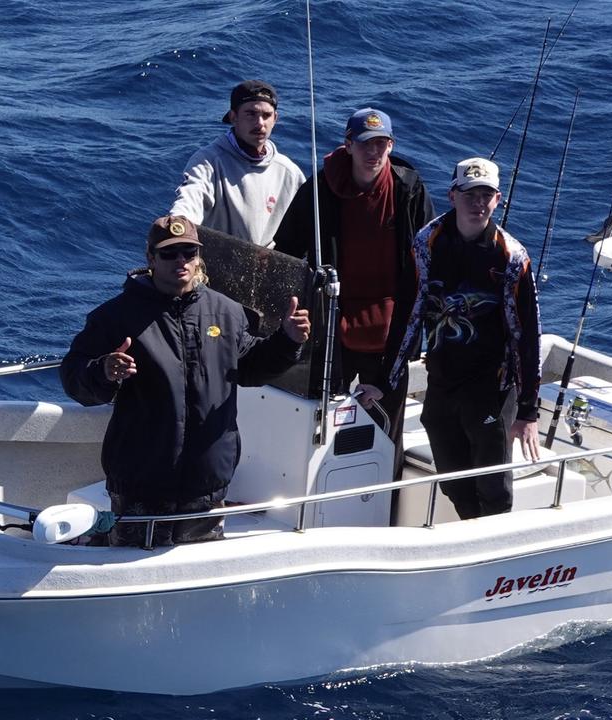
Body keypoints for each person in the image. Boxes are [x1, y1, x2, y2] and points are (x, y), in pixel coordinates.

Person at [60, 215, 310, 546]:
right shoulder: (115, 317)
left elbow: (251, 368)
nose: (181, 260)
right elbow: (73, 375)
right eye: (169, 253)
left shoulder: (227, 312)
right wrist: (103, 371)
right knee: (129, 573)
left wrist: (287, 341)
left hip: (205, 488)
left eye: (189, 252)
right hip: (141, 487)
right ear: (150, 259)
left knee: (195, 572)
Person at [274, 107, 433, 473]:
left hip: (391, 332)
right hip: (330, 329)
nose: (373, 152)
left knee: (387, 429)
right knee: (321, 422)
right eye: (364, 144)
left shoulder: (409, 190)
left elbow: (427, 265)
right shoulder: (319, 188)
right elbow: (285, 252)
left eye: (381, 143)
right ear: (348, 145)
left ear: (391, 146)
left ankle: (383, 502)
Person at [388, 157, 542, 519]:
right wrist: (385, 379)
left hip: (491, 388)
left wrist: (528, 410)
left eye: (486, 195)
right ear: (452, 195)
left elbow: (527, 336)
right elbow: (408, 312)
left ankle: (495, 560)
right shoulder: (428, 241)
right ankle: (470, 535)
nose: (478, 203)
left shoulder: (512, 256)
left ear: (498, 199)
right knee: (453, 482)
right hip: (442, 382)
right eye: (470, 194)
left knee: (493, 488)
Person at [169, 79, 305, 247]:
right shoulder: (208, 162)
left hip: (270, 269)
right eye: (251, 114)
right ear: (234, 117)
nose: (260, 123)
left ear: (275, 118)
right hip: (217, 267)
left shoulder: (289, 172)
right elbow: (190, 198)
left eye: (266, 115)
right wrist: (179, 224)